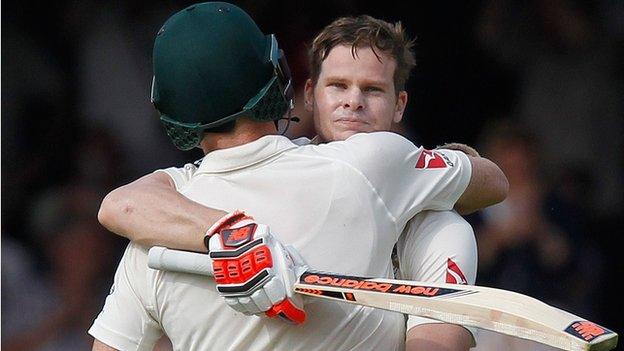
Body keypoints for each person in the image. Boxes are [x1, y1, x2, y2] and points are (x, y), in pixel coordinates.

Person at [91, 3, 508, 350]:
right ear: (279, 77)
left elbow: (119, 205)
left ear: (170, 115)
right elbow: (492, 184)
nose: (354, 103)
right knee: (443, 223)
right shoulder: (370, 164)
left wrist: (225, 232)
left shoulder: (152, 241)